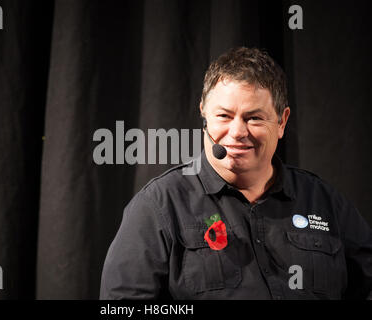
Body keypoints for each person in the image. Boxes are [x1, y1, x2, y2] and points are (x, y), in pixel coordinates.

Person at [99, 47, 372, 299]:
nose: (238, 132)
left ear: (281, 121)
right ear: (204, 115)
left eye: (254, 117)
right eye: (224, 116)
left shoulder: (326, 202)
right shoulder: (159, 206)